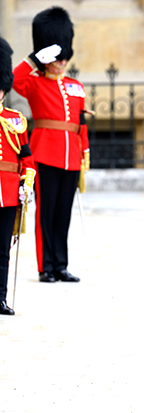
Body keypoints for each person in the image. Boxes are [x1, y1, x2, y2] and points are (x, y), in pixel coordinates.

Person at [12, 6, 88, 283]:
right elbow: (13, 79)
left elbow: (81, 123)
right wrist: (34, 59)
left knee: (63, 215)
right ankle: (46, 267)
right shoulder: (34, 82)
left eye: (63, 56)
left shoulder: (74, 86)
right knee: (47, 213)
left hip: (70, 157)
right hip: (45, 153)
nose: (61, 61)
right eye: (56, 57)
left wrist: (83, 154)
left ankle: (61, 265)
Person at [0, 37, 36, 315]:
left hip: (9, 191)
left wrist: (27, 183)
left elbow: (27, 158)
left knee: (2, 251)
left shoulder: (15, 120)